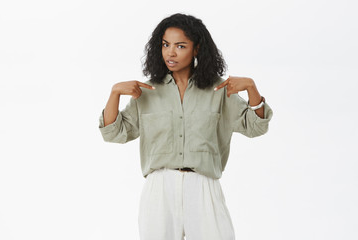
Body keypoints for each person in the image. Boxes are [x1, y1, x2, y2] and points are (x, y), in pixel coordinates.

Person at [98, 13, 273, 240]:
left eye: (180, 46)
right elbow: (115, 133)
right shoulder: (147, 91)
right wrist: (114, 94)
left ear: (197, 49)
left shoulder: (219, 91)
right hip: (160, 188)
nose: (170, 52)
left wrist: (251, 89)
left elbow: (255, 127)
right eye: (165, 45)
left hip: (204, 186)